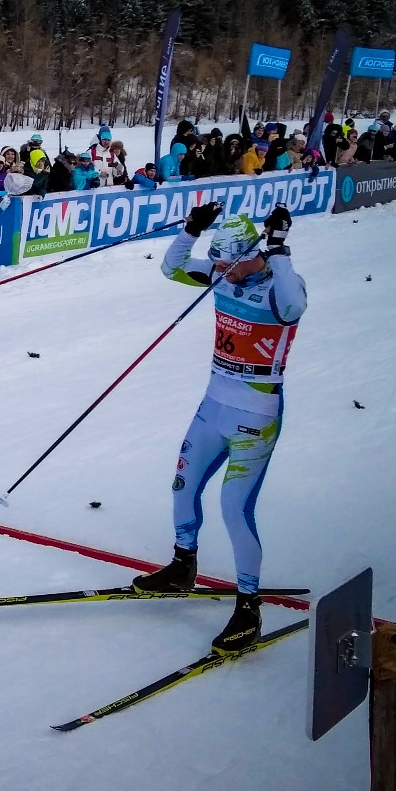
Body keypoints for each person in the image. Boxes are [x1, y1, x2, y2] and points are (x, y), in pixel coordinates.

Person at [133, 203, 306, 655]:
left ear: (255, 255)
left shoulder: (278, 286)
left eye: (231, 263)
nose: (223, 273)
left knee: (235, 509)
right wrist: (191, 230)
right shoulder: (220, 273)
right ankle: (182, 566)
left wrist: (279, 250)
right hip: (213, 407)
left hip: (256, 416)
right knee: (182, 484)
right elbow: (172, 269)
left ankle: (248, 605)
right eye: (219, 263)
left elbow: (295, 305)